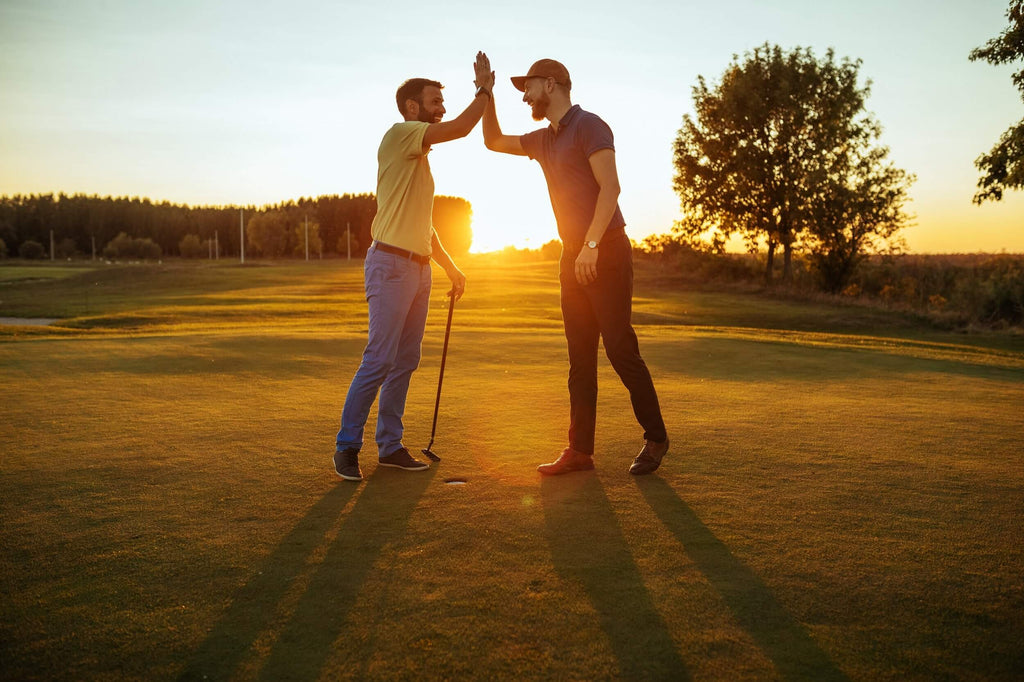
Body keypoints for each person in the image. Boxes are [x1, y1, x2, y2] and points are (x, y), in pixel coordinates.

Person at [482, 58, 669, 476]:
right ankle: (580, 451)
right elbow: (492, 141)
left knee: (620, 349)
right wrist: (485, 93)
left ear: (552, 83)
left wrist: (592, 245)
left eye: (527, 87)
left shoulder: (590, 125)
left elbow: (611, 188)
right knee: (580, 360)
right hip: (572, 256)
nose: (524, 96)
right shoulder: (543, 139)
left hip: (607, 250)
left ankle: (656, 438)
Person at [334, 52, 495, 482]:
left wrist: (449, 267)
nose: (441, 108)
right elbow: (460, 128)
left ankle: (389, 447)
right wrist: (484, 90)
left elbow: (424, 226)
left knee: (405, 361)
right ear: (412, 107)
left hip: (418, 269)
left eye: (443, 102)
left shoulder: (419, 159)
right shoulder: (401, 134)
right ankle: (347, 447)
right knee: (379, 359)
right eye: (435, 101)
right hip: (389, 265)